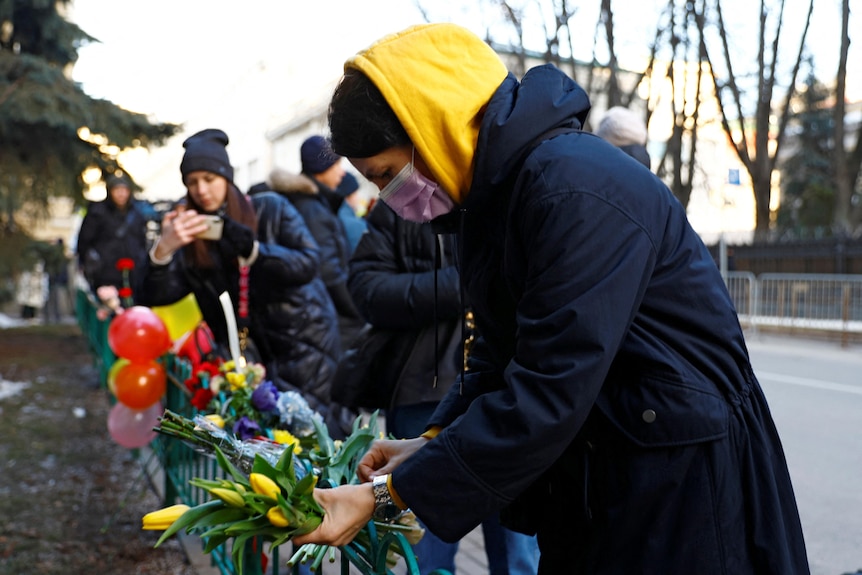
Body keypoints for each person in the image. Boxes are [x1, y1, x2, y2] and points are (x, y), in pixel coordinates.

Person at [293, 23, 810, 575]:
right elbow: (498, 353)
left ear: (435, 129)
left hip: (677, 475)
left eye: (389, 175)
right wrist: (429, 444)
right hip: (615, 460)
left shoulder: (572, 189)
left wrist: (386, 495)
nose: (388, 198)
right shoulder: (494, 197)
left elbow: (549, 384)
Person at [347, 199, 538, 574]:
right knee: (425, 539)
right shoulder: (401, 204)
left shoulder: (510, 198)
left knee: (516, 538)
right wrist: (463, 284)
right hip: (424, 387)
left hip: (501, 389)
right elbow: (367, 288)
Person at [138, 128, 341, 418]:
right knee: (264, 453)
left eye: (209, 179)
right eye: (192, 182)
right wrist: (163, 250)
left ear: (227, 178)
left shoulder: (269, 208)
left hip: (304, 349)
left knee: (310, 441)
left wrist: (254, 250)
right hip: (247, 361)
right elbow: (157, 294)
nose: (201, 190)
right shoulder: (193, 233)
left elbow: (308, 264)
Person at [269, 143, 363, 350]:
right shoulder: (312, 209)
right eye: (337, 165)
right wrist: (356, 310)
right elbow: (328, 271)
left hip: (323, 312)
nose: (341, 172)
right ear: (322, 168)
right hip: (330, 314)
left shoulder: (314, 202)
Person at [76, 174, 150, 300]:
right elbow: (84, 242)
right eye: (117, 190)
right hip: (105, 274)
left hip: (133, 272)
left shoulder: (137, 214)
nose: (121, 194)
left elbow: (141, 240)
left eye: (124, 190)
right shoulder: (97, 213)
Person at [333, 172, 368, 253]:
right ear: (348, 194)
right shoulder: (356, 225)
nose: (358, 198)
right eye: (356, 193)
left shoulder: (329, 214)